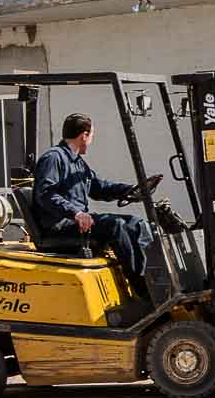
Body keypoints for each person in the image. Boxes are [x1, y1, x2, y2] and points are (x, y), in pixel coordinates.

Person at [31, 112, 158, 297]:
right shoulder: (53, 158)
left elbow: (99, 188)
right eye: (92, 136)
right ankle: (142, 288)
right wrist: (76, 213)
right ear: (84, 135)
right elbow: (46, 194)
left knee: (136, 223)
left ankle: (153, 276)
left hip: (77, 221)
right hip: (60, 226)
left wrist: (131, 190)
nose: (91, 140)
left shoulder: (78, 163)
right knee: (117, 226)